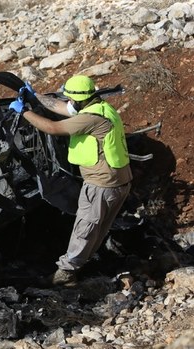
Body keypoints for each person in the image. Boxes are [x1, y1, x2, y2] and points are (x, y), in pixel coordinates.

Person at [9, 75, 132, 286]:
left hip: (102, 184)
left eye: (72, 99)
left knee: (85, 229)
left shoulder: (90, 119)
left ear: (81, 99)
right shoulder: (99, 107)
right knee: (97, 228)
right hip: (117, 181)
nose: (70, 102)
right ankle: (83, 264)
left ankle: (65, 275)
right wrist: (35, 96)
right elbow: (63, 107)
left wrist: (24, 111)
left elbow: (53, 128)